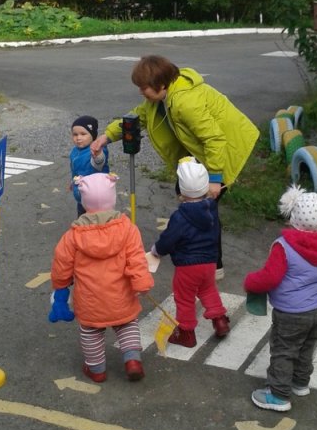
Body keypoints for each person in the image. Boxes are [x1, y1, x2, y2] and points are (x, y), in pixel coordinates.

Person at [91, 55, 259, 276]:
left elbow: (215, 140)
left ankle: (212, 265)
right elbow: (136, 117)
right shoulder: (157, 100)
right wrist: (107, 136)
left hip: (225, 146)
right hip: (200, 150)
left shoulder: (185, 103)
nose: (141, 92)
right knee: (188, 197)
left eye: (144, 88)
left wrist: (216, 179)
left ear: (161, 84)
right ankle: (192, 248)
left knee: (205, 208)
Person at [50, 172, 154, 382]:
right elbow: (136, 258)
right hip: (121, 295)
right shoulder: (128, 229)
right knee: (127, 325)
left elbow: (61, 265)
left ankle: (97, 369)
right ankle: (132, 360)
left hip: (90, 299)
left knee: (91, 332)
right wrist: (141, 282)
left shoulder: (73, 236)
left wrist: (60, 286)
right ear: (112, 198)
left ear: (84, 202)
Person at [243, 184, 317, 412]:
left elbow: (270, 277)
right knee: (305, 349)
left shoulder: (284, 246)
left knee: (284, 351)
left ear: (293, 215)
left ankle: (278, 395)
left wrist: (251, 282)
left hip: (290, 313)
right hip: (316, 310)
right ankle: (300, 382)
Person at [150, 157, 230, 348]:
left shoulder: (181, 216)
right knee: (208, 289)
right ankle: (220, 320)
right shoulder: (212, 210)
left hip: (188, 265)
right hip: (209, 262)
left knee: (184, 298)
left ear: (181, 191)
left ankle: (186, 333)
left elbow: (169, 239)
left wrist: (157, 251)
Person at [69, 115, 110, 216]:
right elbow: (75, 169)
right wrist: (73, 181)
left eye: (83, 134)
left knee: (96, 223)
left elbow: (99, 162)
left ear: (93, 135)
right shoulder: (75, 151)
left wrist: (98, 154)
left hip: (96, 198)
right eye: (75, 134)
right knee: (82, 219)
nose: (78, 138)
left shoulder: (97, 150)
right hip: (81, 197)